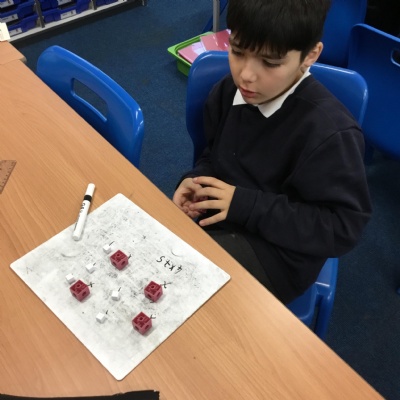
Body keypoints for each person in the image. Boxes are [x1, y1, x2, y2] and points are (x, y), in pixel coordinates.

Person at [173, 0, 372, 304]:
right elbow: (215, 153)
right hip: (225, 216)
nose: (246, 75)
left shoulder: (330, 133)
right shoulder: (227, 92)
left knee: (184, 292)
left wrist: (246, 205)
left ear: (310, 55)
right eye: (238, 51)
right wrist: (197, 179)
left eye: (270, 62)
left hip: (278, 254)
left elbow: (342, 227)